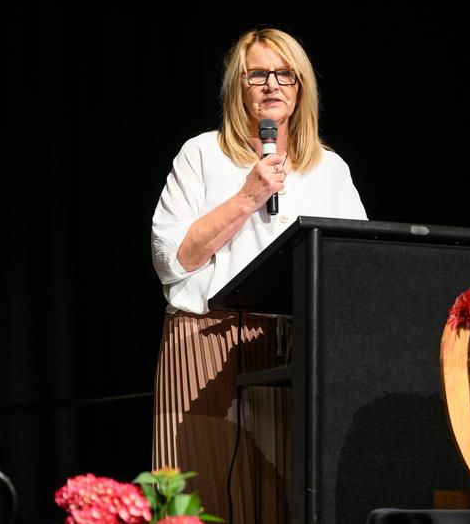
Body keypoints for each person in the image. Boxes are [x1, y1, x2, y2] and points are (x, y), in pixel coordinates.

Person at [149, 27, 367, 523]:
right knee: (196, 500)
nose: (272, 84)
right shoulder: (201, 154)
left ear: (301, 86)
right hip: (204, 343)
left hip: (296, 348)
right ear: (237, 87)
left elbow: (355, 265)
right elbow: (172, 258)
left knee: (283, 500)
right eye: (258, 75)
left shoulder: (329, 169)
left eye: (285, 74)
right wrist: (248, 196)